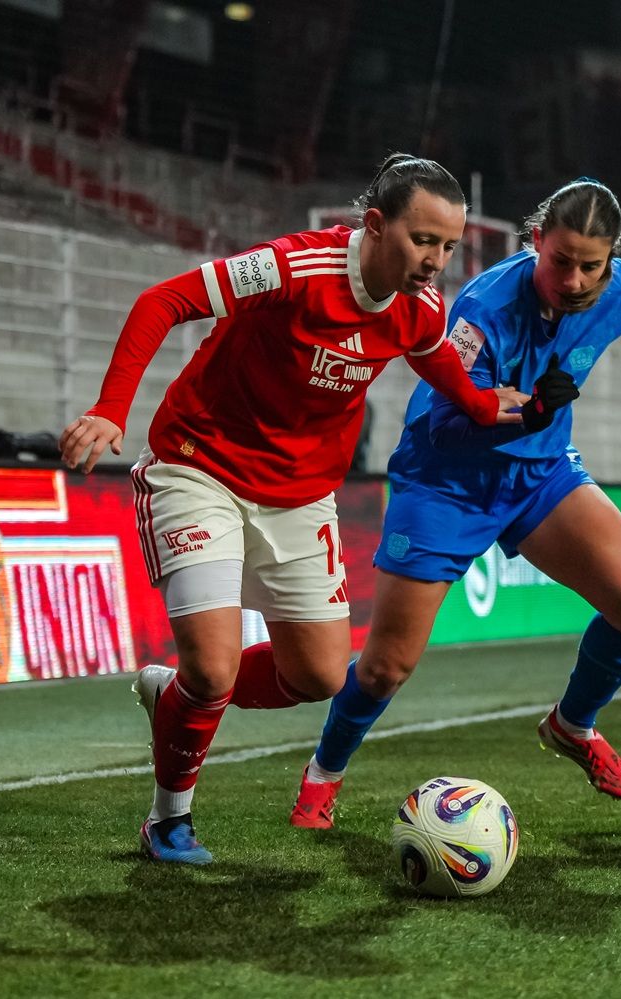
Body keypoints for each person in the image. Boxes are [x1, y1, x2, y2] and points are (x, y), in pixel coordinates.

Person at [58, 154, 529, 865]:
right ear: (374, 225)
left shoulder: (417, 305)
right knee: (214, 668)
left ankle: (176, 697)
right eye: (422, 240)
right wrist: (108, 408)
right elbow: (164, 301)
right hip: (199, 465)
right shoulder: (290, 268)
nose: (435, 260)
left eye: (447, 246)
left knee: (317, 676)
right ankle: (168, 818)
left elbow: (439, 364)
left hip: (300, 495)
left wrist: (486, 404)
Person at [287, 178, 621, 829]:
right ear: (536, 243)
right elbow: (445, 427)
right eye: (562, 261)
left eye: (592, 264)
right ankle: (322, 774)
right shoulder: (481, 310)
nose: (577, 278)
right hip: (445, 484)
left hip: (541, 477)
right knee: (386, 666)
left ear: (610, 258)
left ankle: (571, 725)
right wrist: (528, 413)